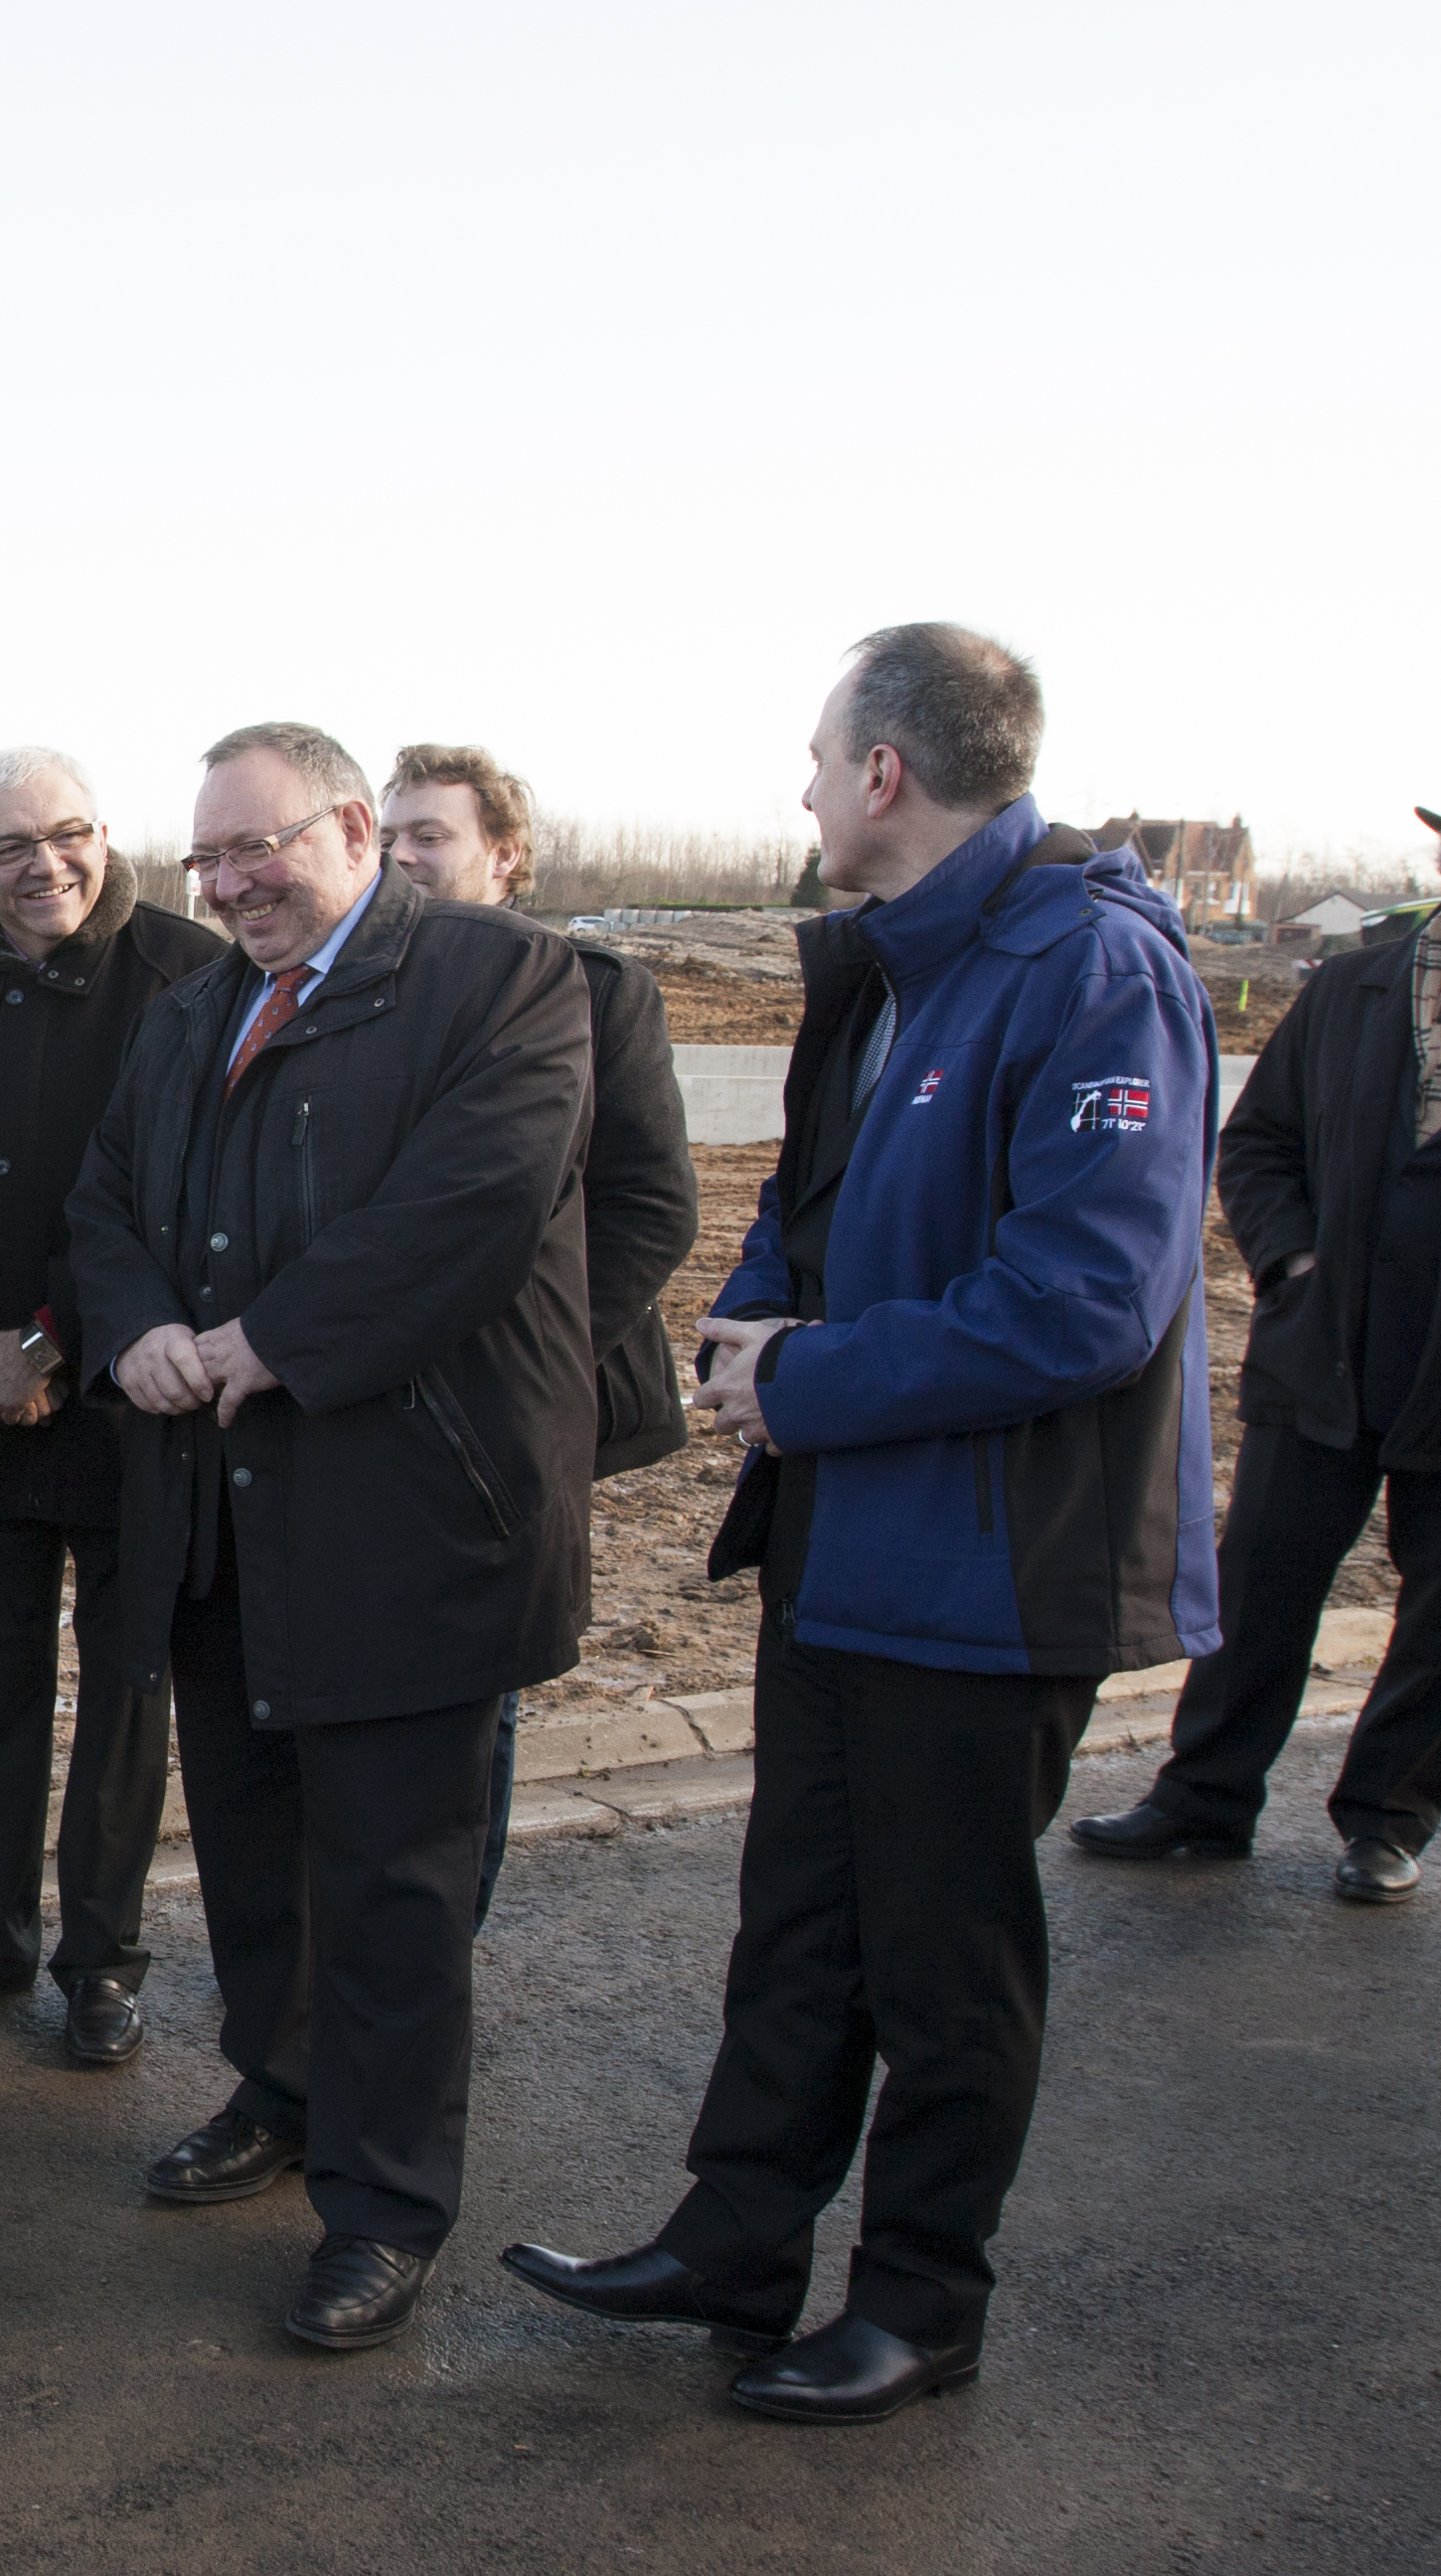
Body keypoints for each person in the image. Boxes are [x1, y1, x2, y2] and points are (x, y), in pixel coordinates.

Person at [504, 624, 1217, 2424]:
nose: (805, 788)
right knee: (801, 1924)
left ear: (885, 771)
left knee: (944, 1957)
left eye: (821, 758)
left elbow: (1088, 1300)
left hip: (991, 1564)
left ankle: (919, 2302)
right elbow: (805, 1213)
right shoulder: (892, 966)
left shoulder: (1092, 970)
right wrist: (754, 1324)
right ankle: (733, 2243)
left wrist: (806, 1379)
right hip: (841, 1539)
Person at [68, 720, 593, 2350]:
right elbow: (104, 1202)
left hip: (406, 1515)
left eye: (260, 848)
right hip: (220, 1513)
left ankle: (381, 2204)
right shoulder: (189, 1012)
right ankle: (279, 2091)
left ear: (354, 830)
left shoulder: (501, 983)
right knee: (250, 1847)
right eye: (206, 860)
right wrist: (138, 1331)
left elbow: (467, 1210)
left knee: (390, 1883)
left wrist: (270, 1339)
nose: (230, 885)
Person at [0, 747, 229, 2057]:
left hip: (128, 1400)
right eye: (8, 848)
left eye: (64, 834)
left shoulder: (185, 976)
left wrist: (50, 1339)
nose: (44, 865)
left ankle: (103, 1963)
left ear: (104, 835)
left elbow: (181, 1198)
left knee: (126, 1694)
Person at [1068, 803, 1441, 1905]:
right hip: (1326, 1344)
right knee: (1266, 1576)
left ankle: (1389, 1818)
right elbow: (1261, 1141)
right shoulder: (1352, 989)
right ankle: (1205, 1796)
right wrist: (1293, 1261)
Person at [378, 744, 702, 1916]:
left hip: (512, 1411)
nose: (401, 858)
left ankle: (441, 1941)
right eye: (387, 835)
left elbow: (652, 1207)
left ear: (506, 857)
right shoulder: (360, 991)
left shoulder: (595, 992)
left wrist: (532, 1355)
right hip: (375, 1394)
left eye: (430, 836)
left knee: (480, 1683)